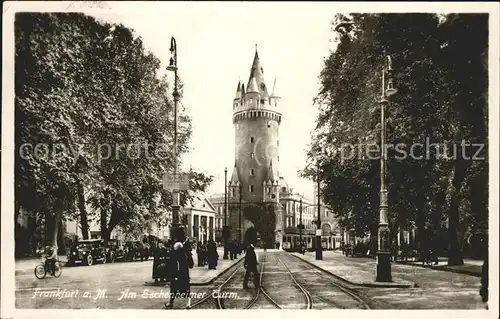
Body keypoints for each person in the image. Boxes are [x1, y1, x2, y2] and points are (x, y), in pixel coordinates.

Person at [165, 242, 193, 309]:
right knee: (186, 289)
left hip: (176, 275)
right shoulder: (186, 254)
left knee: (173, 290)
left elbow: (169, 265)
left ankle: (170, 303)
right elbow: (191, 264)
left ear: (176, 248)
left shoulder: (173, 254)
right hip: (184, 276)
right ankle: (188, 303)